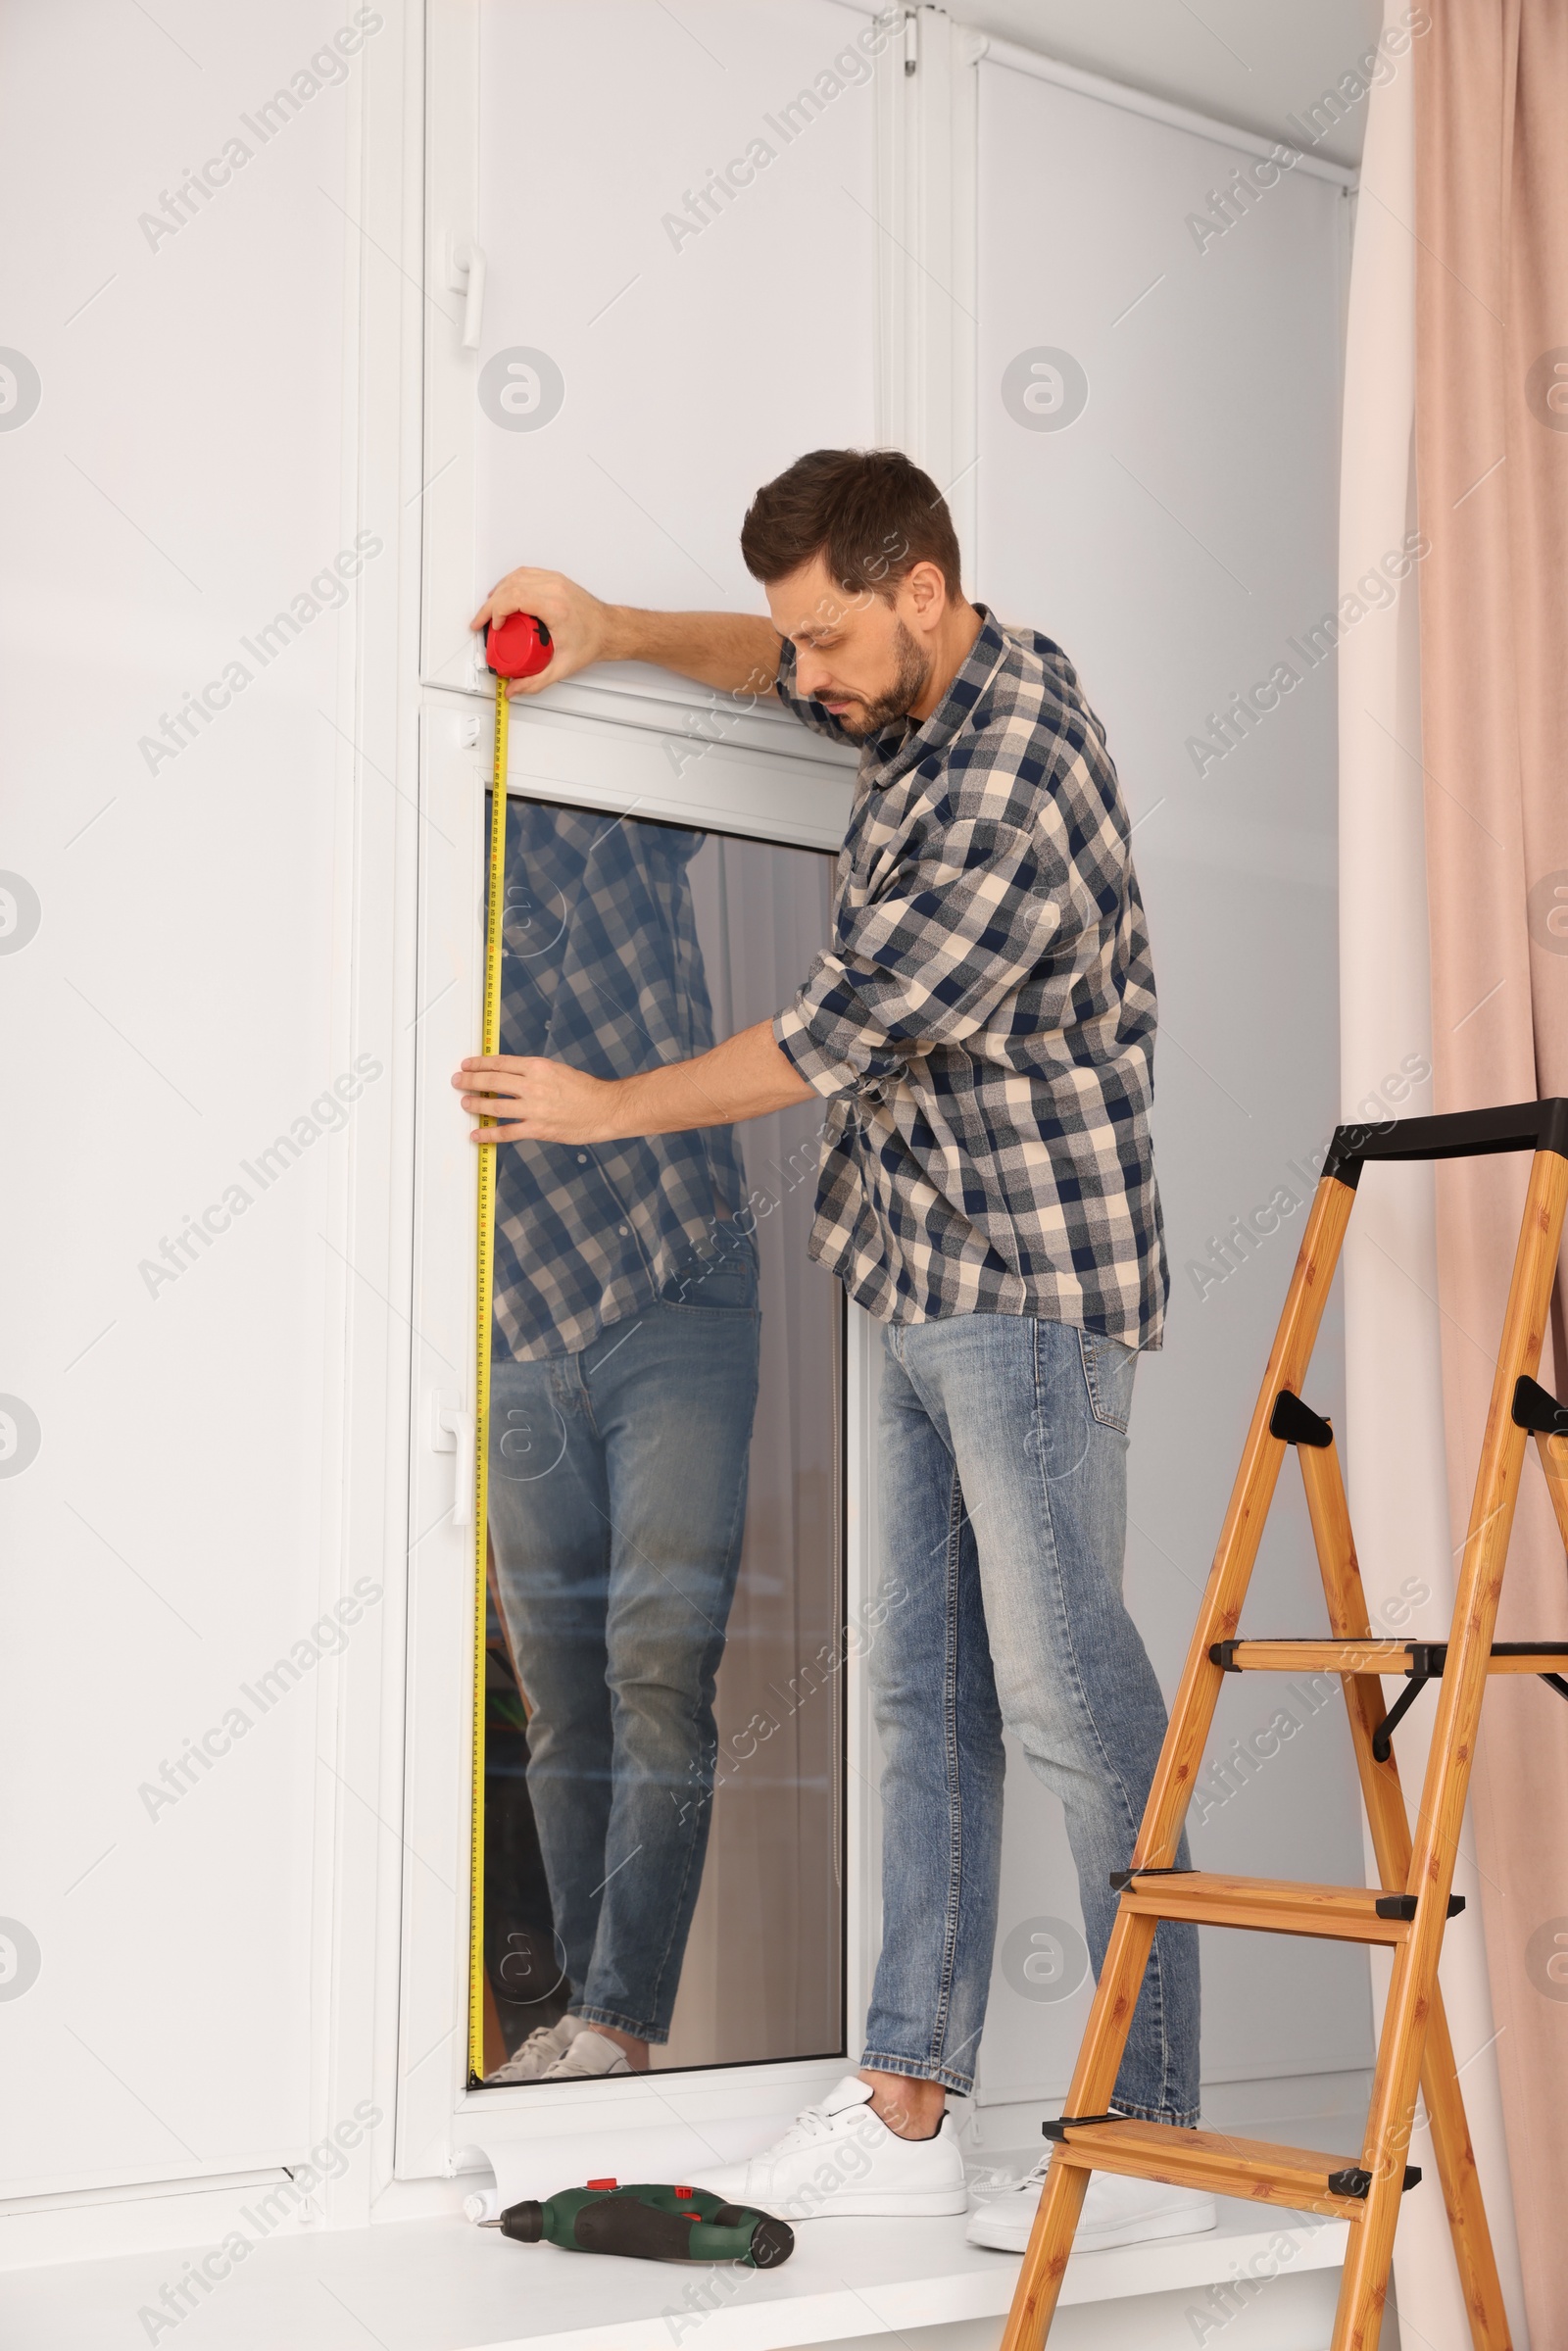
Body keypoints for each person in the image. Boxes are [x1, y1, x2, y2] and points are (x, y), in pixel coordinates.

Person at [457, 448, 1212, 2252]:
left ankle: (1159, 2140)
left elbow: (828, 1038)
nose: (807, 680)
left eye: (829, 642)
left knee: (1068, 1706)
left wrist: (598, 1109)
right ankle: (906, 2106)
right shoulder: (920, 697)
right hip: (905, 1266)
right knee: (918, 1699)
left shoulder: (1007, 781)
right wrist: (617, 630)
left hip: (1025, 1287)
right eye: (800, 645)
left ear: (923, 593)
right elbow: (758, 668)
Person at [478, 799, 761, 2085]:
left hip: (673, 1288)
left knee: (656, 1678)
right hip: (516, 1316)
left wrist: (601, 633)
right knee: (560, 1705)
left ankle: (619, 2018)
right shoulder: (417, 887)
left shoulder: (606, 823)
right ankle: (590, 2026)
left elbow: (759, 685)